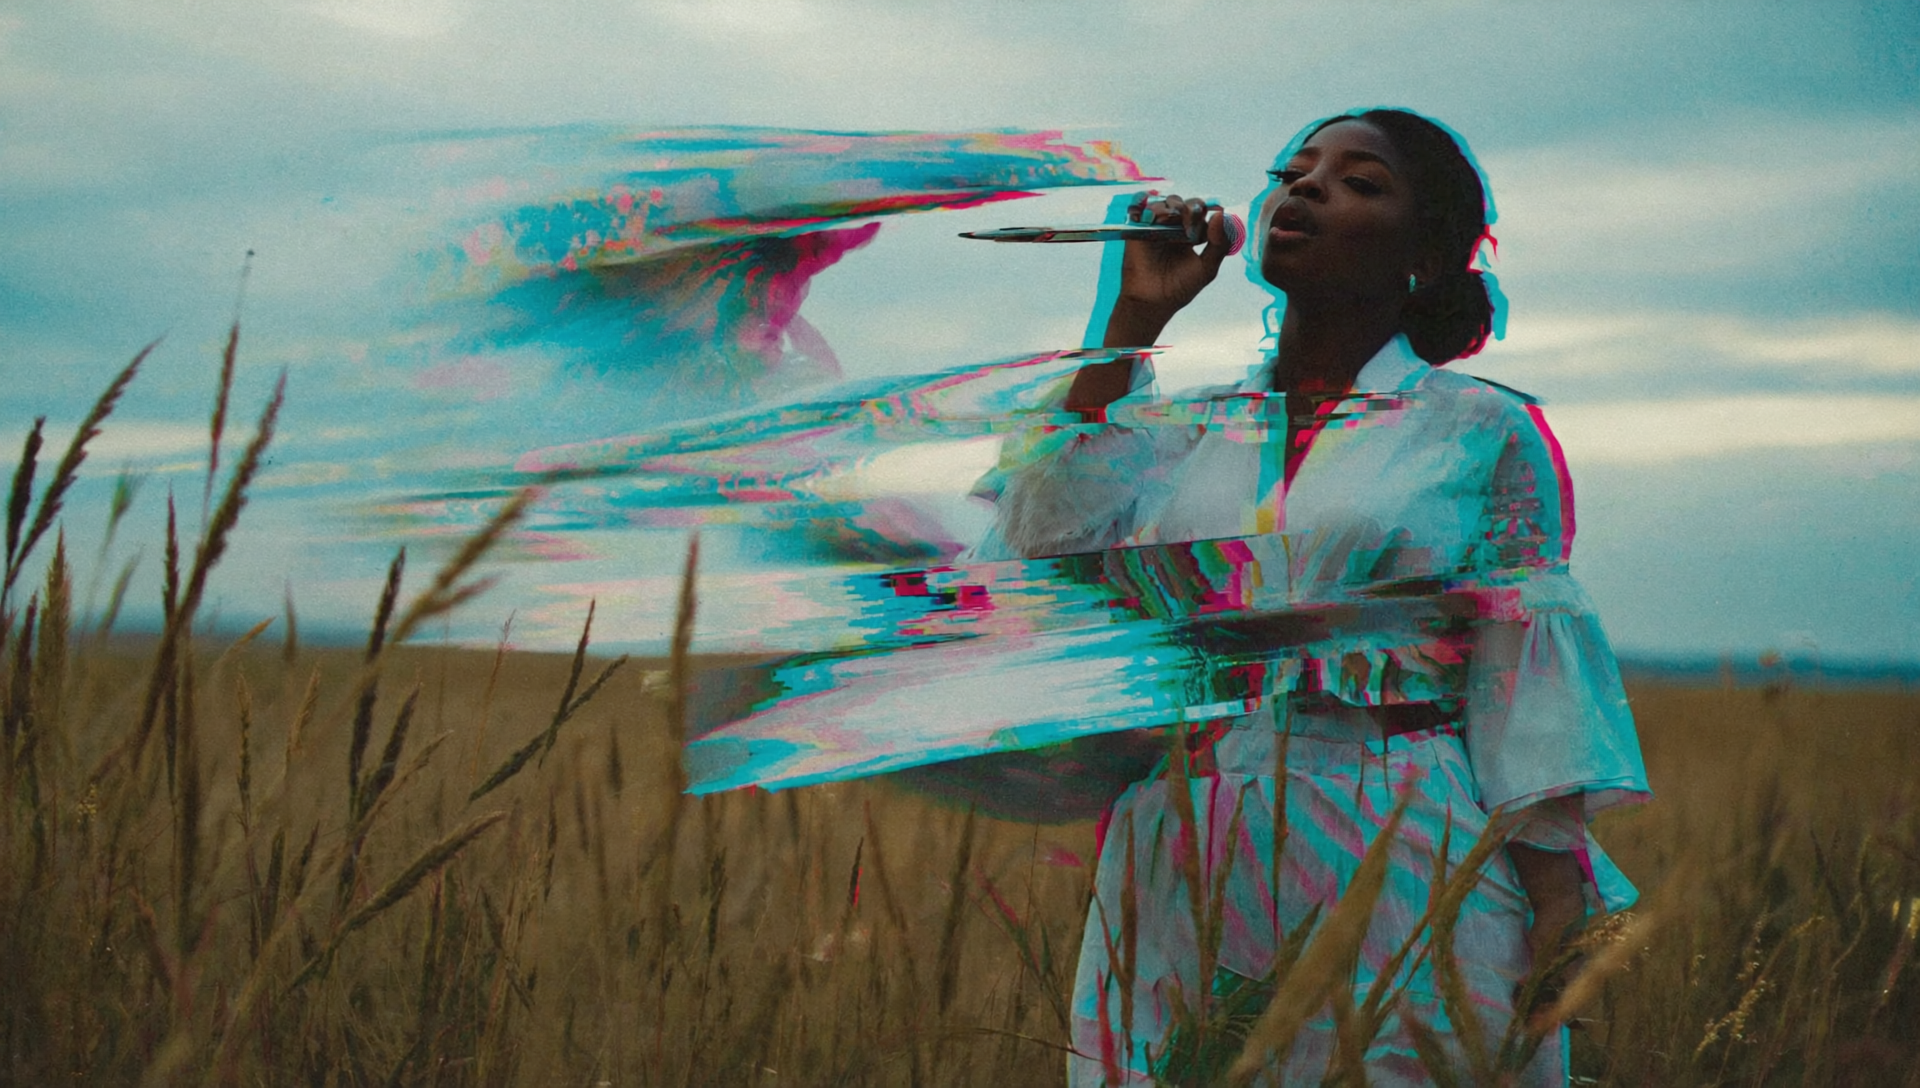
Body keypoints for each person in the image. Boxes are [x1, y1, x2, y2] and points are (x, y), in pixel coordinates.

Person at [959, 108, 1651, 1085]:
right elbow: (1036, 538)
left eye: (1360, 181)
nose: (1308, 188)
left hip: (1402, 833)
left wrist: (1555, 893)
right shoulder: (1186, 426)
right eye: (1292, 171)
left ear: (1424, 256)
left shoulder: (1479, 429)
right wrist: (1130, 320)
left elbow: (1521, 666)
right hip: (1188, 838)